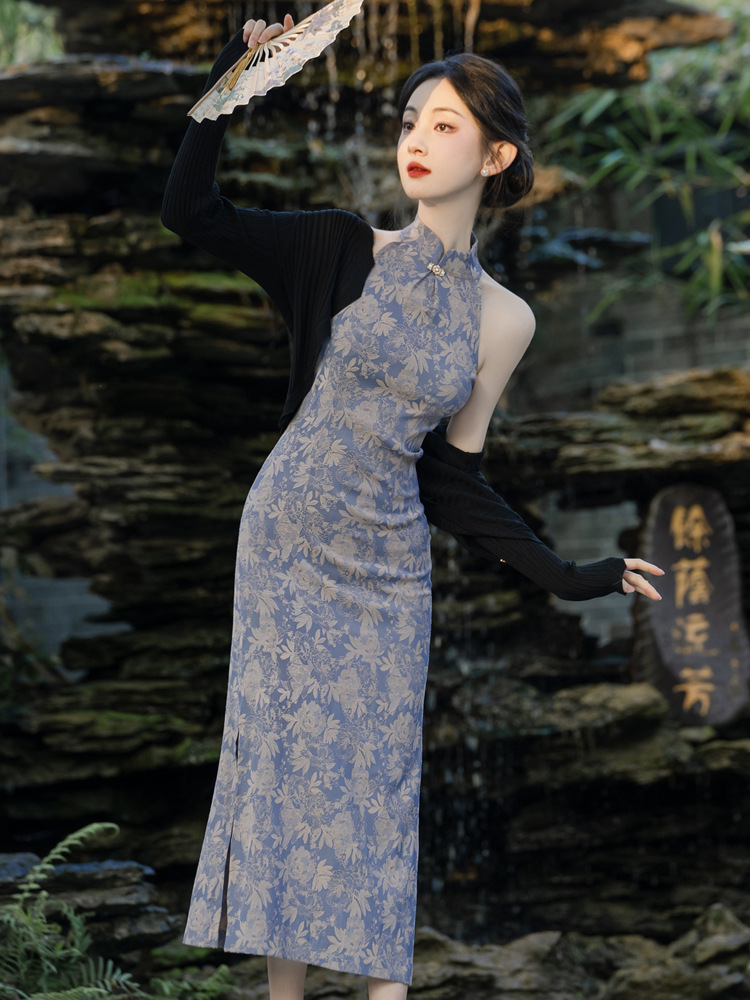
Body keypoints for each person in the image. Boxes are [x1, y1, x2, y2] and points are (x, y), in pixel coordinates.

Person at [161, 14, 664, 1000]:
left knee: (378, 785)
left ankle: (385, 990)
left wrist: (573, 576)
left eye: (443, 124)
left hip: (390, 568)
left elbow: (452, 480)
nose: (416, 140)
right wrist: (236, 73)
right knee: (288, 770)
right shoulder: (337, 245)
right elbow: (191, 210)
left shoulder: (505, 318)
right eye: (408, 123)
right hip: (290, 537)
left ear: (496, 154)